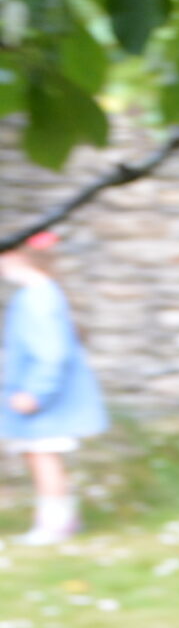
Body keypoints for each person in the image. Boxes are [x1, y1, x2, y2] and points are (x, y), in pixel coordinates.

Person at [1, 231, 108, 544]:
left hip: (44, 396)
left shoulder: (38, 298)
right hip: (42, 392)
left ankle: (55, 525)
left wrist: (36, 392)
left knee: (43, 456)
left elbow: (52, 354)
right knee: (40, 455)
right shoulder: (39, 293)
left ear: (18, 258)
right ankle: (62, 519)